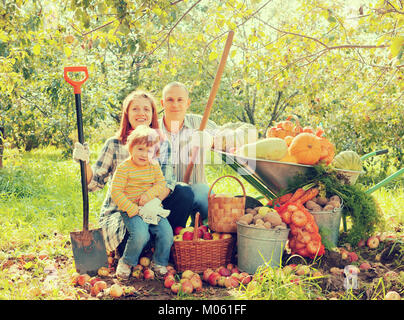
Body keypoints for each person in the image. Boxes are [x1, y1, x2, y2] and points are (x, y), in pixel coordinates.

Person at [72, 90, 194, 276]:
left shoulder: (162, 144)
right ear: (127, 114)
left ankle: (159, 248)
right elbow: (93, 184)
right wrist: (85, 162)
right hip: (123, 210)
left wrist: (149, 203)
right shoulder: (114, 144)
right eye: (135, 108)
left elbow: (167, 184)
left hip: (152, 206)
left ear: (153, 114)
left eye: (146, 109)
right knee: (137, 231)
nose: (141, 113)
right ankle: (132, 253)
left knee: (184, 192)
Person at [110, 125, 173, 279]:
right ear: (131, 148)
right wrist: (132, 208)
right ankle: (126, 262)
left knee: (166, 233)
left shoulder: (153, 166)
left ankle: (159, 262)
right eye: (140, 149)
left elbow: (161, 184)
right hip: (132, 209)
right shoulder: (124, 168)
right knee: (140, 235)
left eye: (149, 151)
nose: (144, 154)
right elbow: (116, 192)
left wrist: (148, 195)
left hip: (151, 208)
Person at [159, 82, 218, 224]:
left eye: (180, 100)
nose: (175, 104)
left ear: (188, 103)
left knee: (205, 193)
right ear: (162, 103)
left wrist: (211, 140)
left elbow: (227, 137)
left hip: (195, 188)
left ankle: (200, 232)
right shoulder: (153, 128)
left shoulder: (199, 123)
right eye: (170, 100)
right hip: (163, 193)